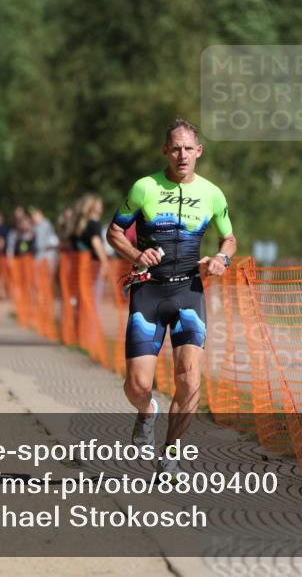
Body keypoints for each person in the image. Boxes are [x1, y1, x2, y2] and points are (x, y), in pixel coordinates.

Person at [106, 118, 236, 480]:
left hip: (188, 292)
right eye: (175, 148)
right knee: (137, 385)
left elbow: (229, 239)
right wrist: (137, 255)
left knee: (190, 380)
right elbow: (114, 231)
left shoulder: (212, 194)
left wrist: (221, 259)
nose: (182, 155)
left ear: (199, 151)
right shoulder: (144, 187)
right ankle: (147, 411)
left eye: (188, 148)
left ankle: (171, 455)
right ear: (165, 151)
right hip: (148, 291)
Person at [72, 193, 113, 304]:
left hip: (81, 263)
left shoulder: (81, 224)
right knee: (93, 296)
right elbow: (96, 243)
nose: (102, 206)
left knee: (81, 294)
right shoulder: (94, 224)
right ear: (94, 207)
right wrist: (104, 261)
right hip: (92, 264)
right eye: (100, 204)